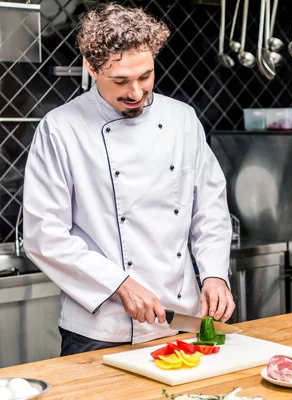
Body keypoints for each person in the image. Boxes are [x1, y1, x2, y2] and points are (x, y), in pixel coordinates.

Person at [22, 4, 235, 356]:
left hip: (179, 317)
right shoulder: (61, 128)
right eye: (120, 81)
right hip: (101, 326)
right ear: (91, 68)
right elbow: (45, 234)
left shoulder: (182, 119)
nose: (136, 92)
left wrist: (214, 273)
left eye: (145, 76)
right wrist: (119, 284)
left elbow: (209, 209)